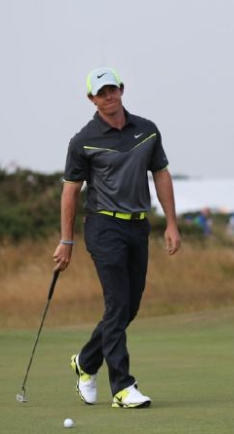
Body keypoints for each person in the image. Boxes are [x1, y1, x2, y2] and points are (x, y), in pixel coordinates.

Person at [52, 67, 181, 409]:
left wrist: (171, 223)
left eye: (112, 89)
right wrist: (66, 240)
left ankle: (86, 361)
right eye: (101, 93)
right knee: (118, 304)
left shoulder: (147, 130)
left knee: (129, 307)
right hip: (103, 227)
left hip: (138, 226)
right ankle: (122, 388)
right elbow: (70, 192)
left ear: (122, 90)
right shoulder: (83, 140)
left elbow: (161, 174)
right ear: (91, 99)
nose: (108, 96)